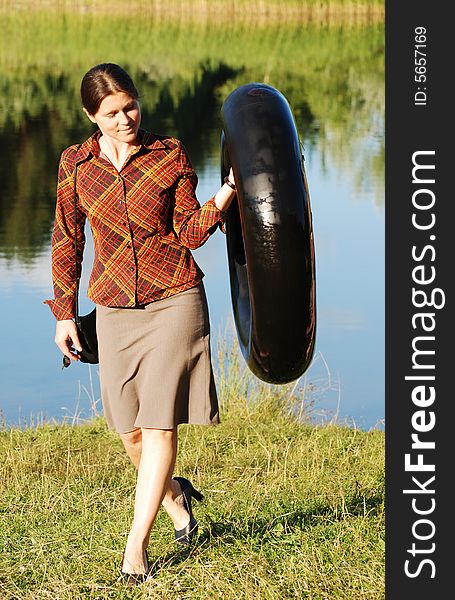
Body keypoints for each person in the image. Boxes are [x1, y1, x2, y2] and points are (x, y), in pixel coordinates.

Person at [44, 63, 236, 585]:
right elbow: (67, 239)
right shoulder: (75, 165)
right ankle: (177, 499)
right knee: (128, 430)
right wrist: (64, 312)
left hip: (175, 299)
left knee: (158, 425)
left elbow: (189, 232)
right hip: (113, 309)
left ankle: (135, 549)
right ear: (91, 116)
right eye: (112, 112)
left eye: (130, 106)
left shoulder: (168, 153)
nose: (125, 118)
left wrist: (223, 197)